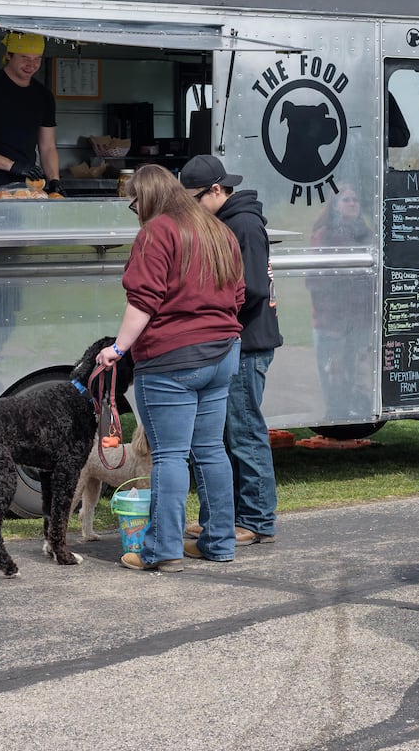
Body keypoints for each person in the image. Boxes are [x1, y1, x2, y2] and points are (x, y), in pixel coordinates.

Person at [93, 164, 244, 571]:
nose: (135, 211)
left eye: (134, 203)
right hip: (223, 353)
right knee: (211, 451)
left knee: (170, 456)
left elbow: (144, 300)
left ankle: (162, 550)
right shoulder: (219, 230)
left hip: (172, 359)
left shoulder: (157, 232)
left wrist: (117, 348)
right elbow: (238, 295)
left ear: (148, 198)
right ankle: (219, 542)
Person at [181, 154, 282, 545]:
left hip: (248, 343)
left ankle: (256, 520)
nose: (192, 209)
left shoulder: (244, 224)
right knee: (223, 436)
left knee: (245, 434)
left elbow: (252, 288)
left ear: (216, 190)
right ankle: (222, 517)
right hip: (232, 342)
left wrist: (208, 311)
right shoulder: (227, 221)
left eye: (195, 200)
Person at [305, 184, 374, 415]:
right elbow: (316, 281)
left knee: (359, 374)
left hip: (360, 319)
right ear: (335, 206)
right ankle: (335, 417)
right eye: (346, 200)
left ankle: (359, 416)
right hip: (331, 321)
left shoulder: (366, 234)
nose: (353, 204)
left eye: (355, 200)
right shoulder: (323, 235)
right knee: (334, 374)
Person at [0, 31, 62, 193]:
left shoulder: (43, 96)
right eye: (25, 58)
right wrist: (13, 166)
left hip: (27, 182)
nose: (31, 64)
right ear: (9, 55)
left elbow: (48, 147)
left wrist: (54, 181)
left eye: (37, 59)